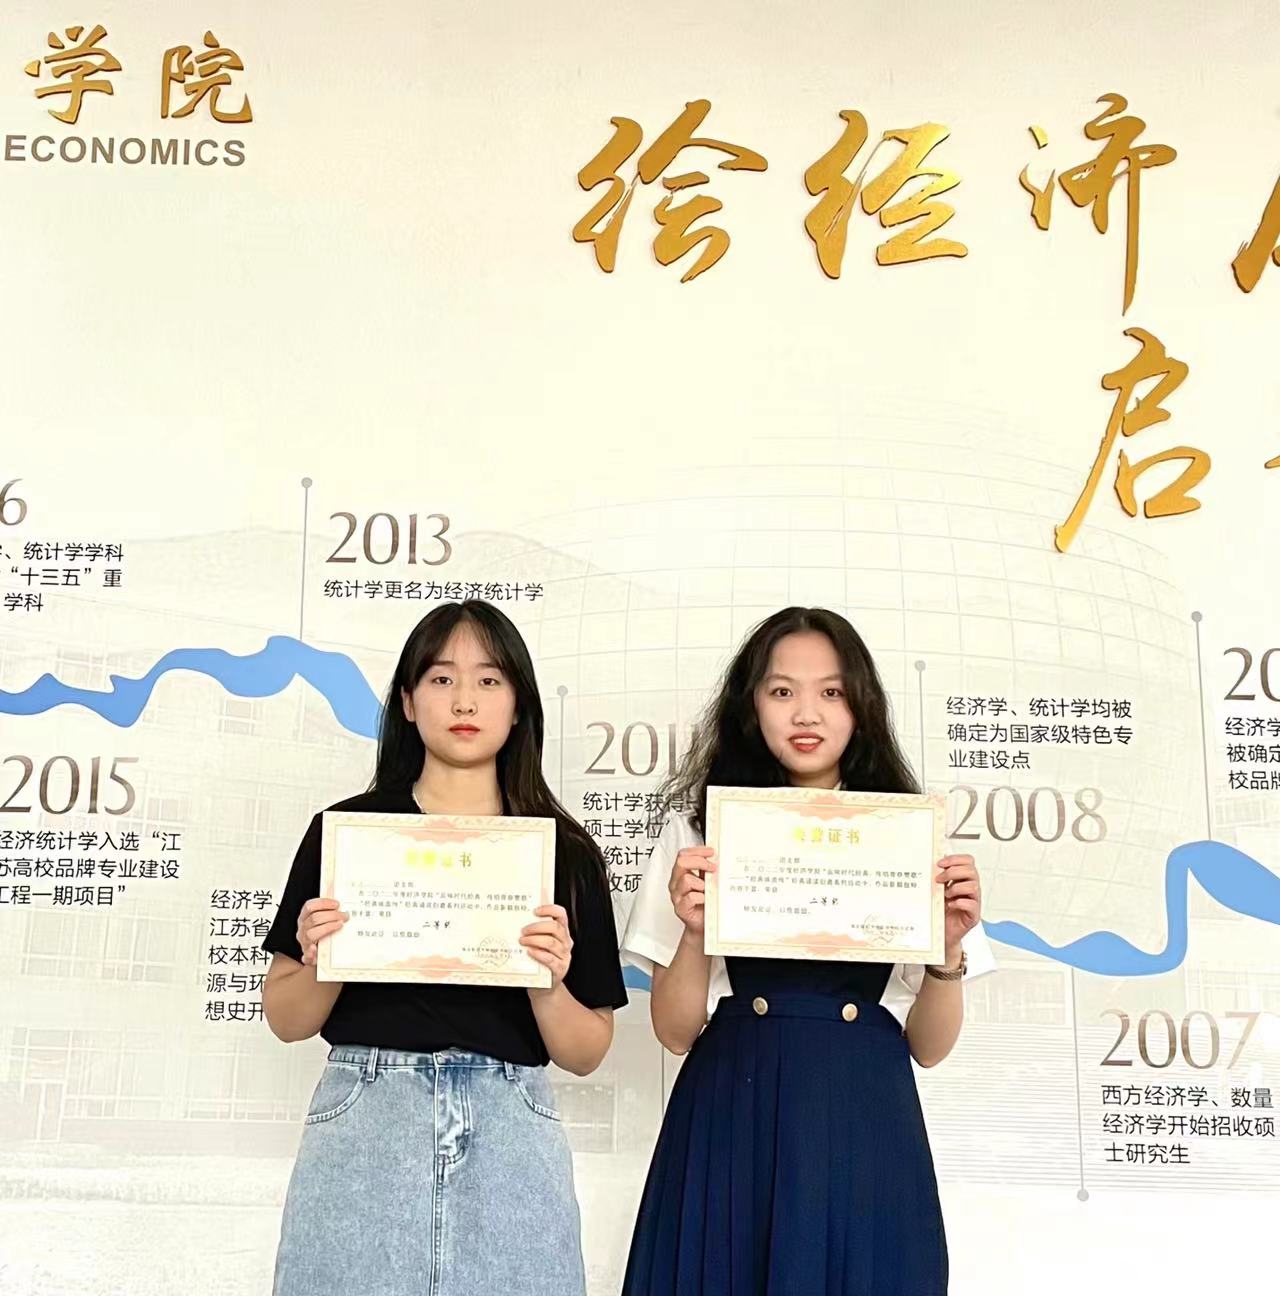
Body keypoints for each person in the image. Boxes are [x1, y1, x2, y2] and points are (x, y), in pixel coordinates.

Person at [620, 606, 995, 1296]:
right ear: (750, 705)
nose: (806, 713)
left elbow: (930, 1046)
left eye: (831, 692)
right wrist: (696, 930)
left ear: (861, 707)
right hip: (732, 1106)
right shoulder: (697, 830)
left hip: (864, 1112)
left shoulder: (908, 836)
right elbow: (674, 1031)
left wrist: (946, 950)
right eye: (781, 691)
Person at [262, 599, 627, 1296]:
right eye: (440, 679)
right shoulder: (348, 833)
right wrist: (324, 956)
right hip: (367, 1115)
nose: (465, 700)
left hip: (510, 1124)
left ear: (518, 706)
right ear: (407, 702)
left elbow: (586, 1051)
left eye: (489, 680)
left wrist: (547, 980)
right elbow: (286, 1018)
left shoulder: (565, 852)